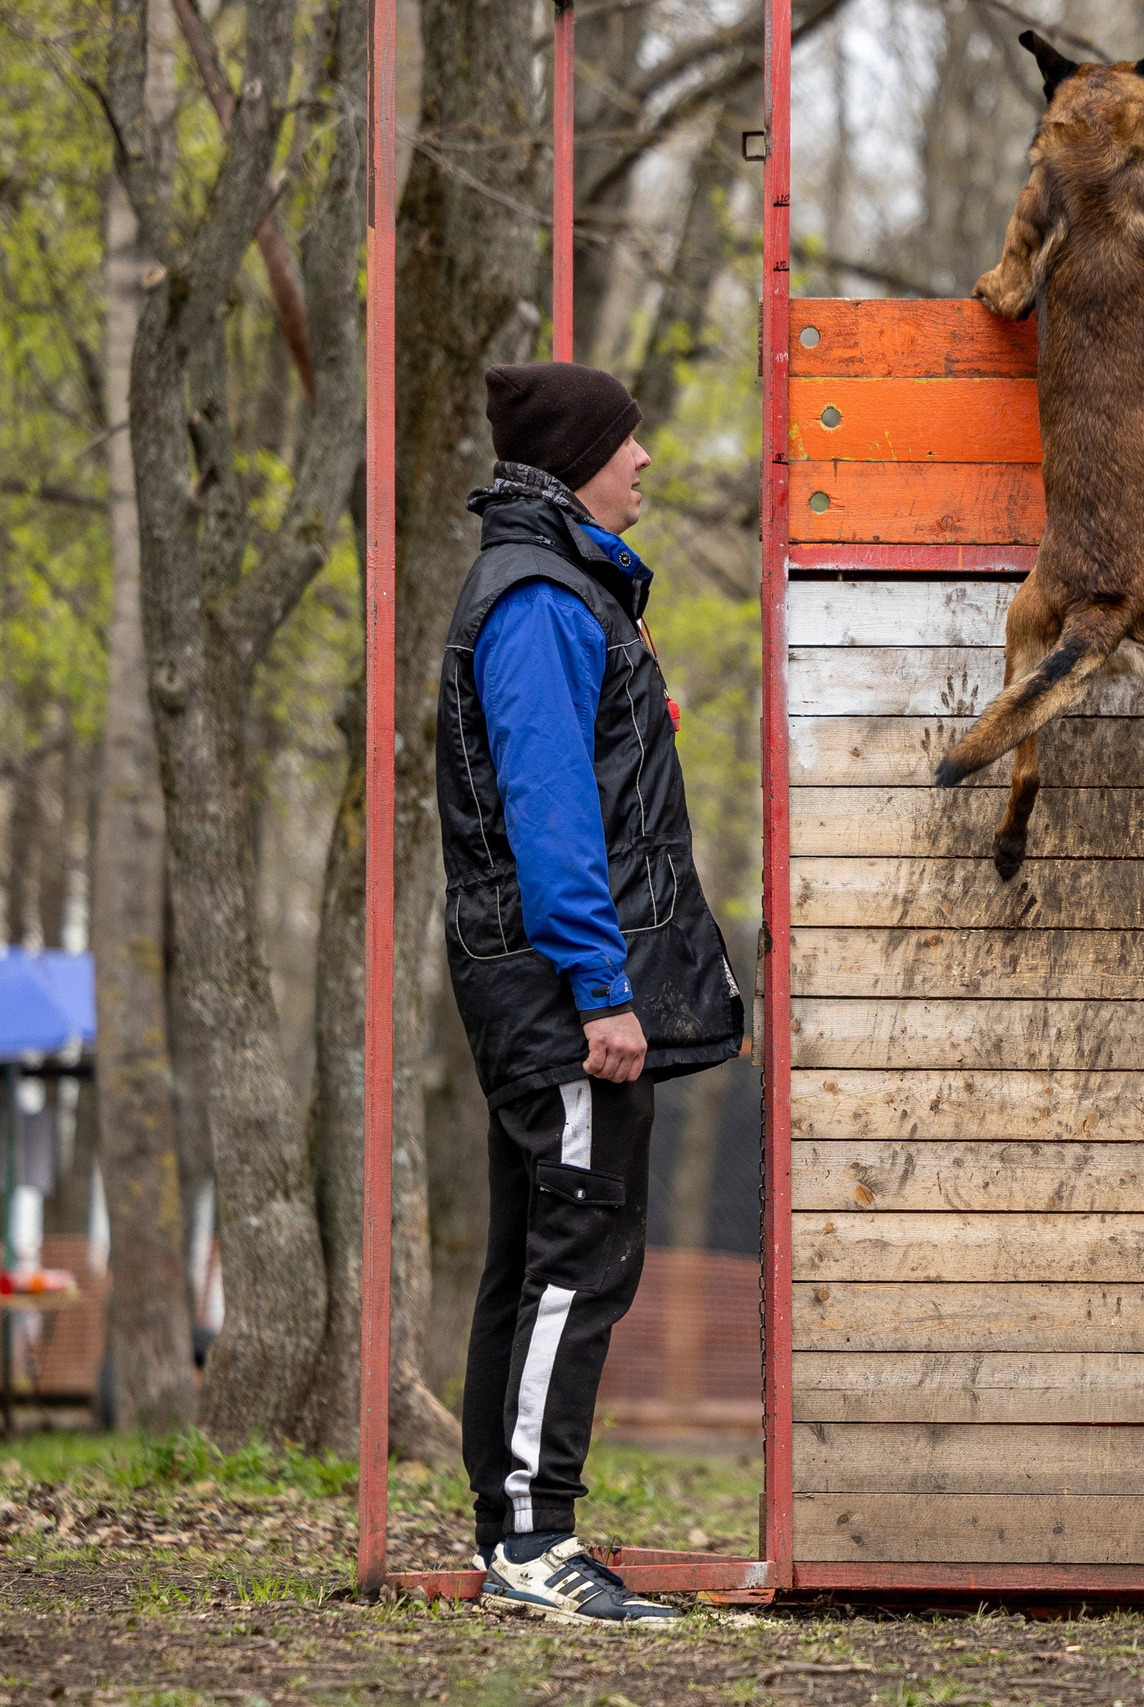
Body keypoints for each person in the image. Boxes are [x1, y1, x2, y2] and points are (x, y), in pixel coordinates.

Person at [436, 361, 745, 1625]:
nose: (648, 460)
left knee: (537, 1257)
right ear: (576, 459)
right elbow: (554, 815)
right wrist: (602, 990)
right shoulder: (542, 601)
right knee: (576, 1260)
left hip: (557, 984)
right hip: (563, 994)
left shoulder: (562, 586)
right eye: (628, 441)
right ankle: (532, 1541)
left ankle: (516, 1530)